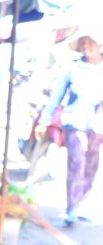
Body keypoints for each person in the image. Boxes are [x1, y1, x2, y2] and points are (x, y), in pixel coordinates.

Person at [42, 30, 103, 226]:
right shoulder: (73, 68)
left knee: (92, 166)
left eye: (90, 44)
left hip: (97, 126)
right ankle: (72, 207)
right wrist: (45, 119)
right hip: (74, 123)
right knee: (77, 163)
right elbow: (56, 96)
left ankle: (81, 201)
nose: (86, 48)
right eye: (83, 44)